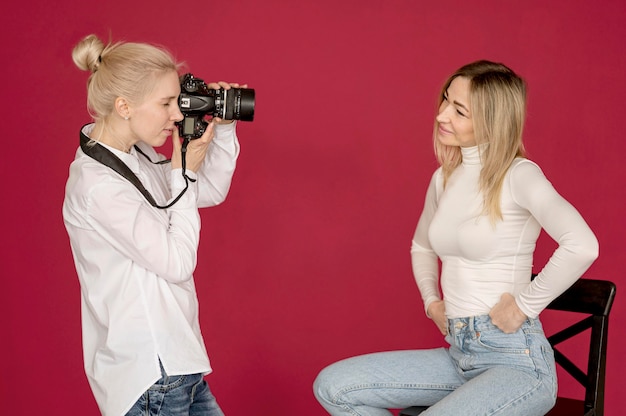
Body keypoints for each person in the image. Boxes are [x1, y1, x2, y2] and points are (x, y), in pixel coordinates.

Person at [313, 60, 599, 416]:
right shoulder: (444, 178)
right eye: (446, 101)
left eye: (459, 111)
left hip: (517, 363)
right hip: (459, 355)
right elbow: (421, 246)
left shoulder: (519, 175)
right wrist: (432, 302)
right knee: (334, 387)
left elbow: (582, 244)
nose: (441, 116)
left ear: (492, 121)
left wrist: (525, 306)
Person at [63, 34, 245, 416]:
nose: (177, 115)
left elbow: (205, 191)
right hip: (150, 369)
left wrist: (223, 129)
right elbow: (177, 262)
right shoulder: (99, 186)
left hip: (177, 362)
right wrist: (184, 172)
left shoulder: (136, 156)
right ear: (124, 106)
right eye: (165, 103)